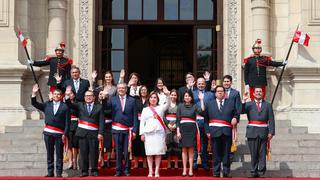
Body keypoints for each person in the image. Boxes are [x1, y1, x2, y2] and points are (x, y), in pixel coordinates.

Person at [31, 84, 70, 178]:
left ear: (61, 96)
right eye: (55, 94)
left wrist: (65, 133)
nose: (56, 96)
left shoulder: (65, 107)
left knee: (59, 154)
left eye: (58, 94)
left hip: (59, 134)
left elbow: (67, 123)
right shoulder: (47, 104)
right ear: (52, 95)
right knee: (50, 153)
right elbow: (35, 104)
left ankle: (59, 173)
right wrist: (33, 93)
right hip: (48, 133)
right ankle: (50, 172)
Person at [65, 88, 104, 177]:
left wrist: (100, 133)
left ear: (94, 97)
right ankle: (84, 171)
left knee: (94, 152)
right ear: (84, 97)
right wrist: (67, 95)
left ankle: (94, 170)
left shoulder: (99, 107)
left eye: (90, 96)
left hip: (94, 133)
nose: (88, 97)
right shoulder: (80, 105)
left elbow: (101, 121)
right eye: (86, 96)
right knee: (83, 152)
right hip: (82, 133)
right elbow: (69, 104)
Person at [103, 83, 138, 177]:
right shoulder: (112, 99)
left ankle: (127, 169)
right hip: (116, 129)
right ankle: (118, 170)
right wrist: (104, 99)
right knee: (118, 150)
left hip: (128, 130)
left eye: (123, 88)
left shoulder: (132, 100)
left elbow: (135, 116)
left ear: (126, 89)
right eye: (119, 88)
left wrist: (135, 130)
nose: (121, 89)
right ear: (117, 89)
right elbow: (105, 109)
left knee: (127, 151)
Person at [204, 85, 239, 178]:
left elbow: (236, 113)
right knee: (215, 153)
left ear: (225, 93)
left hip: (227, 132)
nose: (220, 92)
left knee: (227, 153)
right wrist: (207, 131)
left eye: (222, 91)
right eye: (218, 91)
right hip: (214, 132)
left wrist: (235, 118)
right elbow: (206, 119)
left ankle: (226, 172)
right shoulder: (209, 104)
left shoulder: (231, 103)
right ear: (215, 93)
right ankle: (216, 172)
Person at [242, 87, 275, 178]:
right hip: (252, 131)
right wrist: (244, 101)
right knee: (254, 153)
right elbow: (241, 111)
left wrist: (271, 132)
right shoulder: (248, 104)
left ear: (263, 93)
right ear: (253, 93)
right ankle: (253, 171)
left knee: (262, 152)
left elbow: (271, 119)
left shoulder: (268, 105)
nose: (258, 93)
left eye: (260, 91)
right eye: (257, 91)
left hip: (263, 131)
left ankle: (261, 170)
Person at [140, 88, 170, 178]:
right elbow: (142, 122)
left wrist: (168, 94)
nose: (153, 99)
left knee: (158, 152)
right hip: (148, 133)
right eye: (151, 97)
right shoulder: (145, 109)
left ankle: (156, 171)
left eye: (155, 98)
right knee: (149, 153)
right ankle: (150, 171)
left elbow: (168, 104)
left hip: (159, 133)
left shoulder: (161, 107)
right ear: (149, 99)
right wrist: (141, 133)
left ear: (157, 99)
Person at [177, 90, 205, 177]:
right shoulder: (180, 106)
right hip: (183, 129)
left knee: (191, 151)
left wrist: (201, 100)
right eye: (185, 96)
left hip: (192, 129)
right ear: (183, 97)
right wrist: (178, 131)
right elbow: (178, 120)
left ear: (191, 97)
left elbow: (202, 112)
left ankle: (191, 169)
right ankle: (185, 169)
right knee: (184, 150)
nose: (187, 97)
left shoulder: (195, 105)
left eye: (189, 96)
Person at [192, 77, 214, 171]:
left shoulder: (210, 94)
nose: (201, 85)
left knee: (204, 143)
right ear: (196, 84)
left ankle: (205, 163)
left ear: (205, 84)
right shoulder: (192, 94)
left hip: (205, 121)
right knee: (195, 143)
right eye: (199, 83)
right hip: (195, 121)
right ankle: (194, 162)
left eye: (202, 83)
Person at [132, 85, 149, 169]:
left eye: (145, 90)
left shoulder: (149, 100)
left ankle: (145, 163)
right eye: (142, 90)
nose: (143, 91)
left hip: (147, 124)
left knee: (145, 143)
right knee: (136, 143)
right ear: (139, 91)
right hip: (137, 123)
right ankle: (136, 163)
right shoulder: (136, 100)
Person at [164, 89, 181, 169]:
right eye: (172, 95)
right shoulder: (166, 104)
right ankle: (169, 163)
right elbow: (163, 116)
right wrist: (168, 125)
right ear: (169, 95)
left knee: (176, 145)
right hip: (168, 127)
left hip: (176, 127)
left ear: (177, 96)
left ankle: (176, 163)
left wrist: (176, 125)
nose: (173, 96)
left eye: (175, 95)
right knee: (168, 145)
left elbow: (180, 117)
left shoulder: (180, 105)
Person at [97, 90, 113, 168]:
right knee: (101, 144)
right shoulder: (96, 104)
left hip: (109, 125)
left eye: (103, 94)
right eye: (100, 94)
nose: (101, 95)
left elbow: (109, 112)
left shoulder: (109, 103)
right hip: (99, 126)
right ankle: (102, 159)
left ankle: (108, 159)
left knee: (108, 143)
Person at [66, 90, 80, 170]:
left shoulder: (77, 104)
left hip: (76, 125)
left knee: (75, 145)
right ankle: (70, 161)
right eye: (68, 94)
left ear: (74, 95)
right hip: (67, 125)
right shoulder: (64, 104)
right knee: (69, 145)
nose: (70, 95)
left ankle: (75, 161)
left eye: (71, 93)